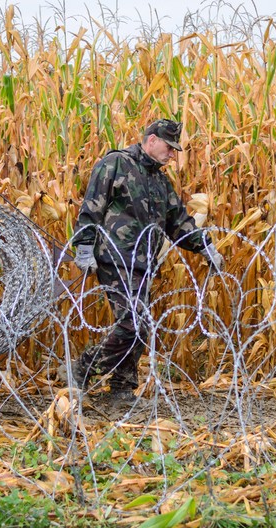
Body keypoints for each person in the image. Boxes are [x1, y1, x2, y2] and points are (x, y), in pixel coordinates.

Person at [70, 119, 223, 401]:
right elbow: (92, 205)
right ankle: (83, 367)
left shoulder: (159, 181)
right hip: (115, 257)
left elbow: (178, 222)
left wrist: (206, 248)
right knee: (133, 322)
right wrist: (84, 246)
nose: (173, 154)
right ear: (151, 140)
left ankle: (121, 387)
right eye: (169, 147)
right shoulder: (116, 163)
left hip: (143, 264)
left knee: (139, 328)